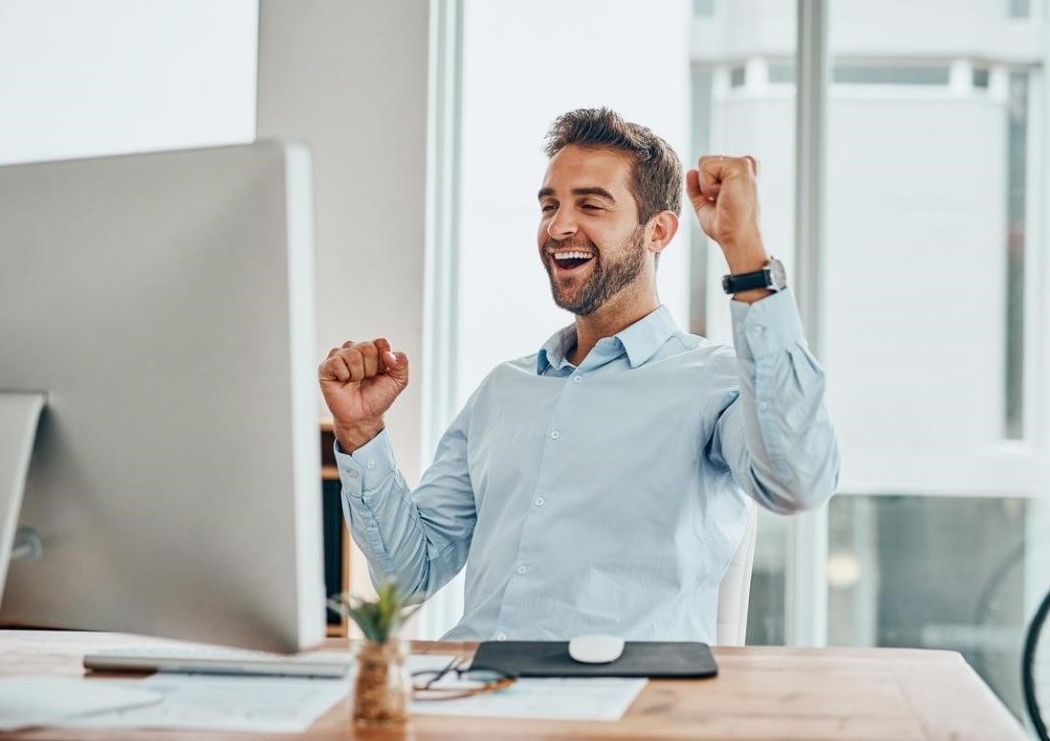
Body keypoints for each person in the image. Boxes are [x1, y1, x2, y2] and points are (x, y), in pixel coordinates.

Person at [319, 107, 839, 643]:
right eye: (550, 205)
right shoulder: (504, 390)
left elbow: (798, 481)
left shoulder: (714, 382)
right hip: (474, 681)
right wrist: (361, 432)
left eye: (590, 205)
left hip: (624, 690)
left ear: (658, 231)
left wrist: (745, 252)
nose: (558, 226)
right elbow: (409, 577)